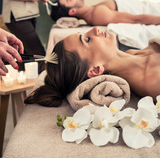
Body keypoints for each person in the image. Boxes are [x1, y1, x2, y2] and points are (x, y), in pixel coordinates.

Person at [24, 27, 160, 107]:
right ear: (96, 70)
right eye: (87, 40)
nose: (95, 29)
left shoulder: (132, 54)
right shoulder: (152, 80)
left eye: (85, 35)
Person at [50, 0, 160, 26]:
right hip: (153, 13)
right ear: (73, 11)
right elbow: (136, 20)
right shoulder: (97, 14)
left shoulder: (92, 9)